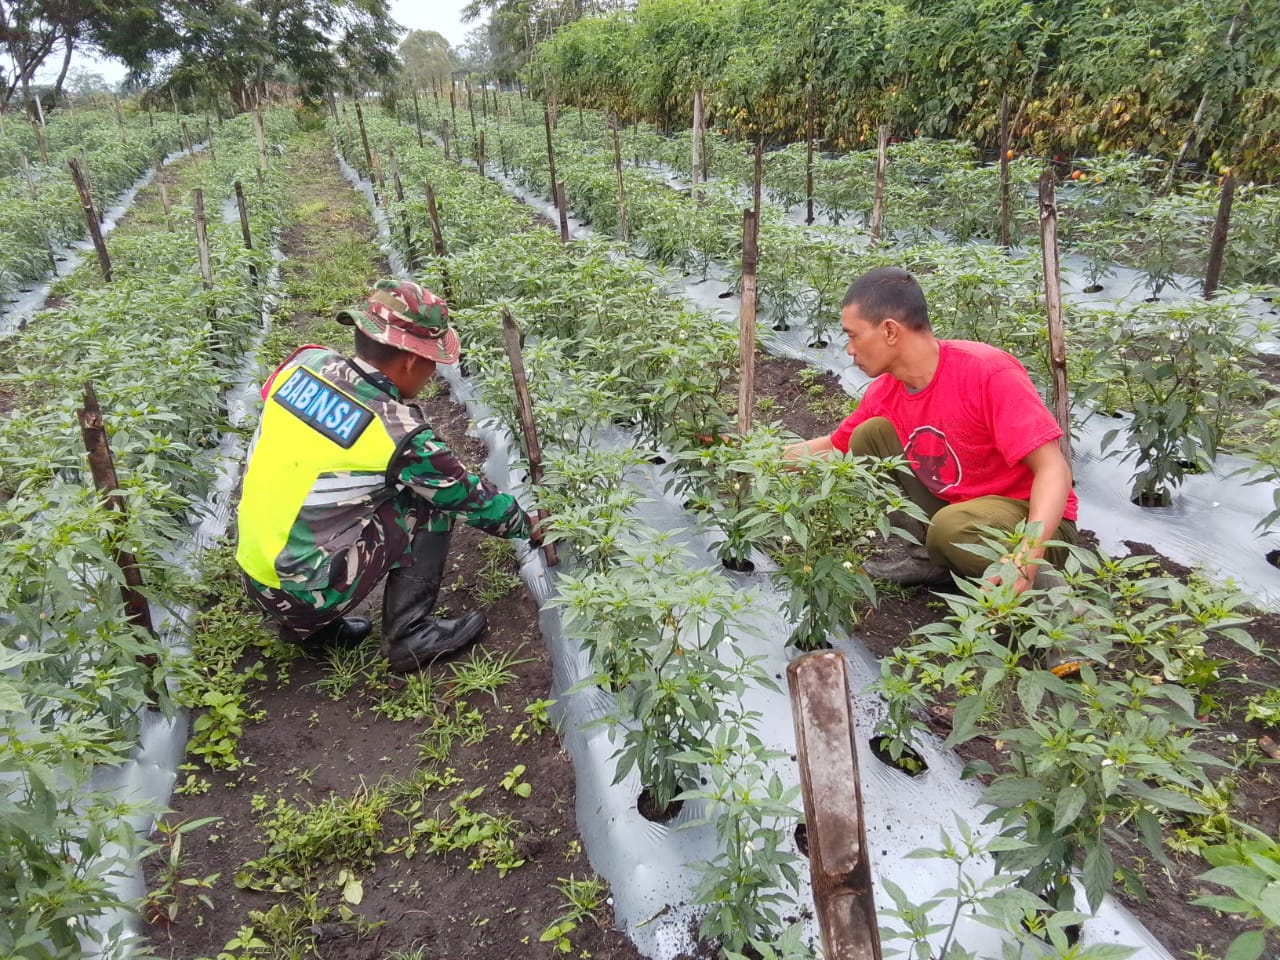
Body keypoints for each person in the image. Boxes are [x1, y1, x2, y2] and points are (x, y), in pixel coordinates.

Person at [235, 279, 539, 673]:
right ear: (411, 361)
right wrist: (528, 524)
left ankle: (311, 629)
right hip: (302, 594)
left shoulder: (303, 364)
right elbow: (470, 497)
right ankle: (408, 635)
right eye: (432, 362)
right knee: (426, 500)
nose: (433, 373)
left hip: (254, 573)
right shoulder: (396, 431)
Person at [784, 266, 1078, 596]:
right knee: (869, 436)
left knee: (952, 527)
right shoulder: (886, 392)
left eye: (853, 336)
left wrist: (1029, 553)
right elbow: (835, 447)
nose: (850, 349)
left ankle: (1053, 601)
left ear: (890, 331)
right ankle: (931, 560)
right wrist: (753, 460)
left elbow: (1053, 469)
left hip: (1033, 525)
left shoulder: (986, 372)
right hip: (961, 514)